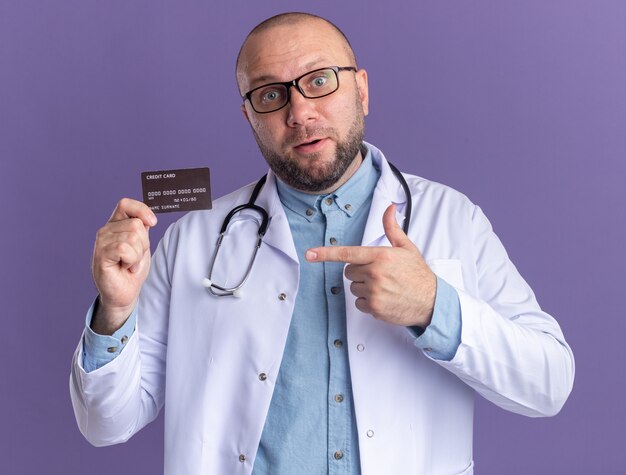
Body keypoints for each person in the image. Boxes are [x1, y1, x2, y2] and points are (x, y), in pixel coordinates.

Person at [70, 12, 575, 475]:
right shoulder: (194, 239)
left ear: (361, 91)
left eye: (319, 81)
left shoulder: (453, 218)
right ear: (249, 117)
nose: (299, 112)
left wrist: (433, 306)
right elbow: (106, 424)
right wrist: (114, 310)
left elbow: (547, 386)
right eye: (271, 94)